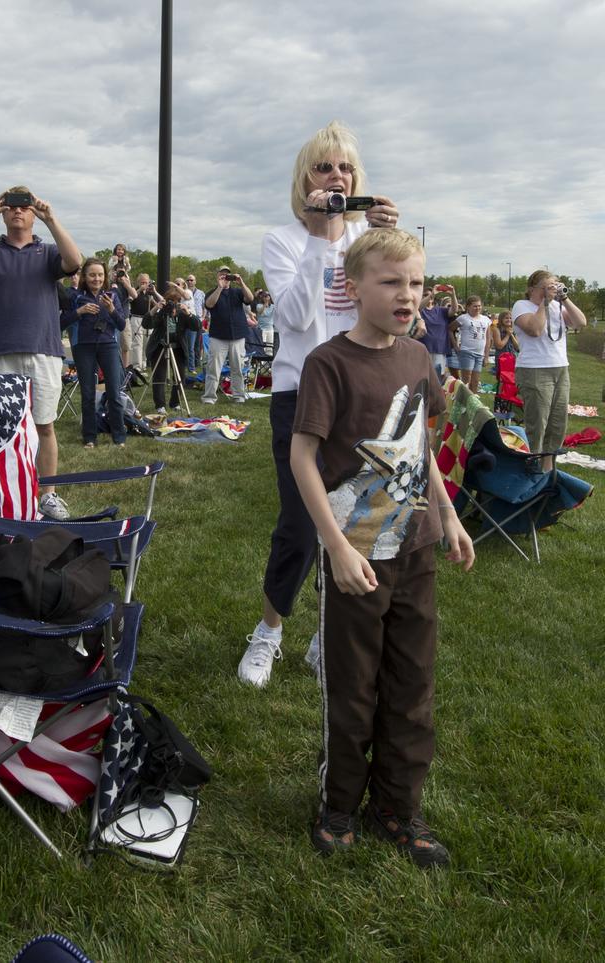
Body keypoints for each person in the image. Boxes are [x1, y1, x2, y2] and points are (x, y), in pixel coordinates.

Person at [289, 227, 473, 866]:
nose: (407, 295)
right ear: (354, 287)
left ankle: (398, 805)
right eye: (392, 282)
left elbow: (419, 451)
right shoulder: (328, 363)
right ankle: (340, 800)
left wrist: (447, 515)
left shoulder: (419, 358)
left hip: (415, 550)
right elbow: (303, 456)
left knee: (411, 681)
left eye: (416, 282)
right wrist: (335, 545)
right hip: (356, 559)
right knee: (354, 685)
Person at [238, 120, 402, 687]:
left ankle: (325, 634)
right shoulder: (282, 240)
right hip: (300, 393)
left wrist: (391, 243)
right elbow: (295, 318)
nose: (336, 177)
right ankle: (269, 631)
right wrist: (316, 235)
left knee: (358, 521)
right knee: (301, 524)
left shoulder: (367, 243)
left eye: (345, 168)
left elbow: (393, 307)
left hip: (362, 393)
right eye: (323, 167)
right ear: (304, 178)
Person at [0, 185, 82, 520]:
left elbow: (74, 261)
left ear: (33, 213)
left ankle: (47, 494)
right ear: (4, 213)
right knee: (0, 430)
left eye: (24, 206)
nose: (17, 211)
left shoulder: (49, 252)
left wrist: (51, 218)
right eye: (11, 206)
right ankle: (3, 495)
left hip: (43, 351)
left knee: (44, 426)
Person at [512, 270, 587, 471]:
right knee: (538, 424)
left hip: (561, 369)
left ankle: (547, 469)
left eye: (555, 285)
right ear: (532, 289)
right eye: (548, 286)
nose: (553, 289)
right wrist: (545, 303)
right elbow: (535, 330)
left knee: (557, 423)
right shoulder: (522, 306)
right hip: (535, 370)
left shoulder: (557, 306)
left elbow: (581, 322)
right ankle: (531, 467)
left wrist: (565, 298)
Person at [65, 257, 128, 447]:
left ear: (105, 276)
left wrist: (111, 310)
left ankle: (119, 436)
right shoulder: (75, 297)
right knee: (88, 393)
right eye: (92, 275)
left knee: (114, 392)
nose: (96, 279)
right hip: (83, 347)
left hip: (108, 346)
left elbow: (122, 324)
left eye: (100, 275)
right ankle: (90, 437)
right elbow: (62, 322)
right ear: (85, 276)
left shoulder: (113, 296)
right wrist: (80, 311)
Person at [202, 265, 253, 404]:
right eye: (222, 275)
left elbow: (250, 298)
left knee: (237, 368)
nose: (225, 278)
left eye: (228, 275)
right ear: (218, 276)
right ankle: (209, 397)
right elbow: (209, 305)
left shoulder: (237, 292)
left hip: (237, 336)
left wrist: (241, 283)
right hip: (218, 336)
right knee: (214, 368)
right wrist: (219, 287)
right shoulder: (212, 292)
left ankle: (238, 395)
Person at [143, 280, 193, 414]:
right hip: (160, 346)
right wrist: (156, 308)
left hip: (177, 348)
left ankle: (175, 403)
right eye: (170, 300)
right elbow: (146, 324)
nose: (173, 304)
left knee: (180, 376)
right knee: (159, 376)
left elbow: (197, 326)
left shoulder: (182, 313)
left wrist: (188, 312)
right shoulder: (161, 313)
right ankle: (160, 405)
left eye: (176, 301)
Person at [413, 284, 459, 380]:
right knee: (423, 375)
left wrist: (453, 294)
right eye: (425, 295)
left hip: (439, 348)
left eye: (429, 295)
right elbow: (416, 308)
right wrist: (432, 294)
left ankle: (436, 394)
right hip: (424, 348)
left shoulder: (441, 311)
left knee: (438, 376)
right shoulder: (420, 311)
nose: (428, 297)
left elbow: (454, 310)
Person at [449, 295, 490, 393]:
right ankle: (463, 402)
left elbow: (488, 338)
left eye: (479, 306)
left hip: (479, 354)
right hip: (467, 352)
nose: (478, 308)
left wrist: (486, 356)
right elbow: (450, 329)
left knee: (475, 381)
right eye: (475, 306)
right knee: (466, 380)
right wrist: (455, 346)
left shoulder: (486, 319)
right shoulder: (463, 318)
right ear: (468, 307)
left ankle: (473, 402)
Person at [184, 272, 205, 372]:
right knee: (190, 344)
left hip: (198, 319)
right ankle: (189, 364)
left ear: (195, 281)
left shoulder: (201, 293)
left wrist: (203, 317)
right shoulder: (184, 292)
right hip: (189, 320)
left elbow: (205, 307)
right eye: (188, 280)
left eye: (191, 280)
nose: (189, 281)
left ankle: (197, 363)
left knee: (198, 343)